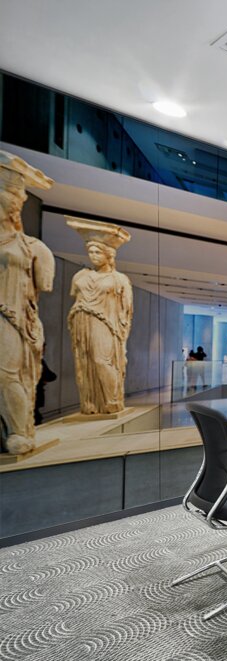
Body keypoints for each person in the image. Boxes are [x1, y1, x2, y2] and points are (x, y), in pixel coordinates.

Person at [0, 150, 54, 455]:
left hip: (12, 315)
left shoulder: (29, 247)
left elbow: (40, 287)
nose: (18, 199)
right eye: (12, 191)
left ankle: (19, 431)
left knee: (7, 372)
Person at [67, 217, 133, 415]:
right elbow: (75, 297)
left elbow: (126, 310)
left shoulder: (119, 279)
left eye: (98, 252)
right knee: (84, 361)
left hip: (106, 325)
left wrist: (122, 333)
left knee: (101, 360)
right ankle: (91, 403)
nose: (93, 255)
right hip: (81, 322)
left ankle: (112, 400)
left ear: (108, 254)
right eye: (91, 251)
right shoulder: (80, 276)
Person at [34, 354, 57, 426]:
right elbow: (50, 376)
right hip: (35, 393)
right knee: (34, 417)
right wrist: (42, 379)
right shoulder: (37, 360)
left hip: (34, 393)